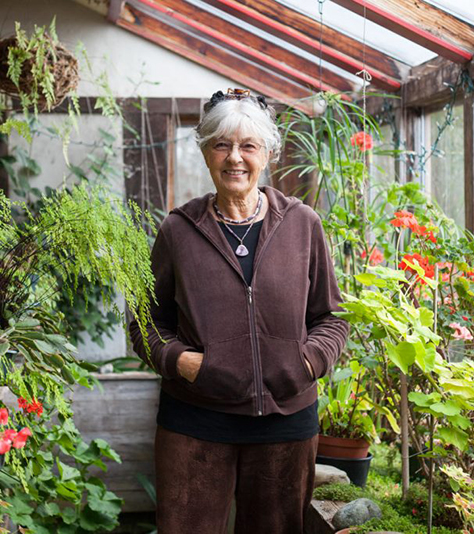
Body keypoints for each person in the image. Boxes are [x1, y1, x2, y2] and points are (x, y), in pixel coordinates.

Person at [129, 88, 348, 534]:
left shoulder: (303, 223)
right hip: (195, 421)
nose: (235, 158)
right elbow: (145, 321)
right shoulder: (178, 230)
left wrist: (306, 361)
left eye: (248, 146)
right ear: (206, 152)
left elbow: (332, 316)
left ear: (266, 154)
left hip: (286, 424)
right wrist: (183, 363)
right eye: (221, 145)